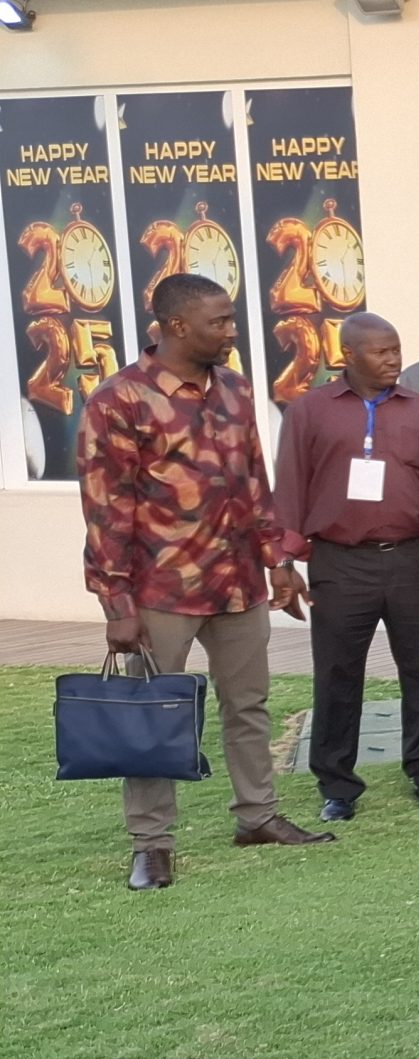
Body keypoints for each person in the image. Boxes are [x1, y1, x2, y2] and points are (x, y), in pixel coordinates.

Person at [79, 273, 332, 889]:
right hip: (159, 590)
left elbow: (254, 482)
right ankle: (151, 843)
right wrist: (116, 603)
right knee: (154, 716)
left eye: (230, 319)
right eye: (218, 321)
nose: (231, 331)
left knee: (248, 705)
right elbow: (106, 507)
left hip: (238, 583)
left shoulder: (235, 389)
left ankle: (258, 816)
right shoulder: (119, 399)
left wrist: (277, 560)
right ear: (176, 326)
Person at [273, 311, 419, 818]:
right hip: (340, 562)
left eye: (396, 349)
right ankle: (337, 786)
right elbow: (290, 485)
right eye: (381, 352)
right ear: (348, 355)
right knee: (338, 675)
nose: (393, 359)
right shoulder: (309, 411)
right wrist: (283, 559)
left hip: (413, 559)